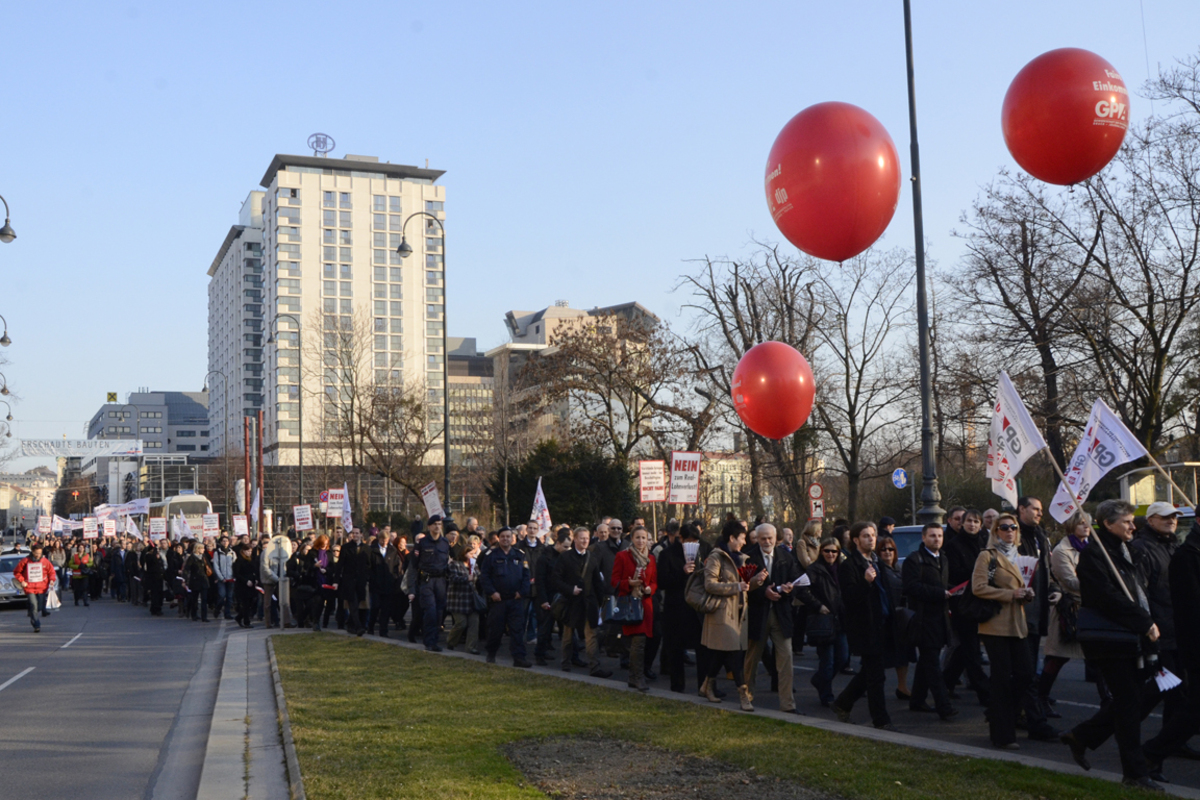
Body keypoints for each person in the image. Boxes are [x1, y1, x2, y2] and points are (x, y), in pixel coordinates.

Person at [1060, 499, 1164, 791]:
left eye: (1133, 521)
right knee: (1129, 703)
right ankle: (1134, 772)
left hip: (1133, 637)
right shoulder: (1095, 555)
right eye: (1127, 521)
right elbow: (1107, 597)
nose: (1133, 526)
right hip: (1110, 641)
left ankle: (1082, 736)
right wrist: (1143, 621)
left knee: (1132, 699)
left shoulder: (1127, 551)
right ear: (1107, 524)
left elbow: (1139, 589)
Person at [1143, 513, 1200, 777]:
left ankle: (1152, 753)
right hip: (1192, 643)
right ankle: (1151, 753)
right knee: (1193, 709)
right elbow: (1190, 608)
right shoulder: (1187, 556)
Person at [973, 513, 1035, 750]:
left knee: (1025, 674)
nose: (1009, 531)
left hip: (1017, 624)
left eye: (1013, 527)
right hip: (995, 625)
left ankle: (999, 714)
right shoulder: (987, 556)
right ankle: (1002, 733)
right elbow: (978, 588)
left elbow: (1021, 588)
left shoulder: (1019, 557)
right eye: (1004, 527)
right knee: (1001, 678)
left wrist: (1027, 595)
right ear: (996, 531)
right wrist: (1010, 594)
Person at [1039, 510, 1105, 713]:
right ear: (1071, 526)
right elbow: (1070, 581)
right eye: (1081, 523)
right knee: (1057, 658)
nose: (1086, 526)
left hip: (1090, 608)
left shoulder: (1094, 548)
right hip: (1069, 610)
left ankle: (1108, 700)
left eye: (1088, 523)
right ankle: (1039, 699)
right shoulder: (1062, 551)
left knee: (1100, 657)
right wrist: (1099, 580)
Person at [833, 522, 894, 730]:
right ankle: (881, 720)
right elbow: (849, 598)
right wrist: (865, 582)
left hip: (882, 623)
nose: (871, 539)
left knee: (869, 672)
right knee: (876, 675)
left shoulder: (877, 561)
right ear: (856, 540)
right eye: (866, 536)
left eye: (873, 535)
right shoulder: (850, 565)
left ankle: (843, 702)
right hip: (865, 626)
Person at [701, 520, 763, 712]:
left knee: (721, 655)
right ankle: (743, 695)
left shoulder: (741, 558)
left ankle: (707, 685)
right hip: (722, 613)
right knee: (735, 656)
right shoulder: (716, 557)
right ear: (732, 538)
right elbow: (709, 584)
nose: (744, 543)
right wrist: (735, 587)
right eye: (742, 538)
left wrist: (756, 582)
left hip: (739, 614)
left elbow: (744, 587)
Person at [1131, 502, 1183, 728]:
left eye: (1174, 517)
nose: (1171, 520)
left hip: (1176, 626)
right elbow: (1140, 592)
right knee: (1162, 685)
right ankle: (1116, 723)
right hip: (1157, 628)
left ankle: (1172, 736)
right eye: (1164, 517)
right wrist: (1148, 624)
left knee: (1174, 686)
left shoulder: (1173, 546)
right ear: (1150, 520)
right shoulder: (1142, 548)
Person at [743, 523, 804, 713]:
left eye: (770, 538)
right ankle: (746, 697)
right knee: (752, 660)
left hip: (781, 614)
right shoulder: (749, 558)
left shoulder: (786, 557)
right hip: (758, 614)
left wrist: (788, 590)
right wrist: (763, 593)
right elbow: (744, 587)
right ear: (757, 539)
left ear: (776, 537)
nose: (767, 542)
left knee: (786, 659)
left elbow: (796, 580)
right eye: (763, 539)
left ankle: (787, 704)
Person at [902, 523, 956, 719]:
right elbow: (911, 587)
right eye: (932, 536)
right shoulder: (914, 560)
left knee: (927, 661)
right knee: (933, 665)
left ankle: (917, 700)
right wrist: (940, 593)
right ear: (923, 538)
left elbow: (942, 584)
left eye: (940, 536)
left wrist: (954, 590)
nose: (937, 539)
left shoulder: (943, 558)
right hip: (923, 620)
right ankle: (944, 707)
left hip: (940, 618)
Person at [1016, 496, 1057, 741]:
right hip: (1021, 614)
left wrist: (1052, 590)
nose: (1040, 513)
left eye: (1041, 510)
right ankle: (1036, 722)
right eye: (1035, 509)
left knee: (1023, 672)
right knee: (1026, 672)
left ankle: (1004, 714)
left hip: (1037, 611)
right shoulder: (1014, 534)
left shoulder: (1040, 535)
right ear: (1022, 509)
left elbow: (1045, 571)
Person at [943, 508, 990, 706]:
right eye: (969, 521)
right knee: (971, 648)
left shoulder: (984, 544)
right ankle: (984, 692)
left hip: (981, 600)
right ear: (962, 524)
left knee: (966, 649)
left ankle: (945, 683)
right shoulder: (953, 545)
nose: (972, 525)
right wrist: (979, 571)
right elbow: (954, 573)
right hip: (963, 602)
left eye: (976, 522)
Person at [553, 526, 610, 677]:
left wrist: (600, 602)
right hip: (571, 603)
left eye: (587, 538)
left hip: (589, 603)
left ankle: (595, 667)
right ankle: (565, 663)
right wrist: (570, 589)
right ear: (575, 539)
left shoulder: (592, 557)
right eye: (582, 538)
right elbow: (556, 579)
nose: (585, 541)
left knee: (591, 636)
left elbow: (597, 581)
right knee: (568, 636)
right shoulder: (565, 557)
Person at [612, 526, 657, 691]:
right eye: (637, 537)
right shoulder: (622, 556)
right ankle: (637, 677)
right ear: (632, 538)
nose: (641, 541)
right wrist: (628, 583)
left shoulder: (651, 558)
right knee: (637, 643)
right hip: (630, 603)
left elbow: (654, 581)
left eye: (644, 538)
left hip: (646, 604)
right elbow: (614, 580)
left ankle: (634, 677)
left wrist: (650, 589)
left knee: (640, 642)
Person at [480, 527, 532, 667]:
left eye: (508, 536)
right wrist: (492, 592)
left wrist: (522, 592)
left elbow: (526, 575)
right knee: (495, 630)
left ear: (512, 538)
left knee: (517, 630)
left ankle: (519, 658)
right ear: (498, 538)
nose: (505, 539)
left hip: (515, 599)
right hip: (498, 601)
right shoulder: (491, 555)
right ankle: (491, 654)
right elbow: (484, 576)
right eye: (503, 536)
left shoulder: (519, 554)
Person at [807, 536, 846, 707]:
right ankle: (826, 695)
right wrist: (818, 606)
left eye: (834, 551)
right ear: (821, 551)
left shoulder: (843, 569)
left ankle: (818, 680)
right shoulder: (814, 569)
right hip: (824, 620)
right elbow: (801, 590)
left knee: (843, 658)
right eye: (827, 551)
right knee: (827, 661)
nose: (830, 554)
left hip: (841, 618)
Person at [876, 535, 914, 701]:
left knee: (903, 654)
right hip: (886, 618)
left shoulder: (899, 568)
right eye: (883, 549)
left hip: (901, 617)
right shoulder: (878, 570)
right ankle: (869, 686)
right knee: (881, 657)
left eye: (890, 549)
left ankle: (902, 686)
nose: (887, 552)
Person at [405, 515, 452, 651]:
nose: (438, 527)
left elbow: (447, 563)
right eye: (435, 524)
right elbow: (414, 567)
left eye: (439, 524)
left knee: (439, 613)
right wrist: (412, 588)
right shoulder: (422, 543)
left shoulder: (445, 543)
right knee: (430, 611)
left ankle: (435, 640)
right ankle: (429, 641)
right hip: (427, 581)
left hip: (441, 582)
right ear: (429, 526)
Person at [534, 530, 568, 665]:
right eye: (565, 547)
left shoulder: (563, 557)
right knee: (545, 629)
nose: (567, 550)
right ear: (558, 543)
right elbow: (540, 581)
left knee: (567, 628)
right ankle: (539, 655)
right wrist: (543, 600)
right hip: (547, 597)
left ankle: (573, 656)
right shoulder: (544, 558)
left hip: (560, 597)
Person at [366, 529, 403, 638]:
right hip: (376, 584)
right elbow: (368, 566)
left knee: (386, 609)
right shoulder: (372, 550)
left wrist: (395, 578)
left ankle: (384, 630)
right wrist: (371, 578)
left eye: (386, 540)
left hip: (388, 584)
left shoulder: (392, 550)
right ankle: (371, 627)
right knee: (375, 606)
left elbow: (396, 567)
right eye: (382, 540)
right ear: (379, 539)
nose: (384, 542)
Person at [446, 542, 481, 654]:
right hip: (458, 598)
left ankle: (471, 647)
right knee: (461, 623)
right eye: (470, 553)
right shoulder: (455, 564)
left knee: (474, 623)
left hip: (471, 597)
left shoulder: (474, 565)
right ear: (464, 553)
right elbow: (453, 578)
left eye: (473, 554)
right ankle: (451, 641)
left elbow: (479, 576)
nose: (472, 556)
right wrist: (466, 578)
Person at [13, 543, 55, 632]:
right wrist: (22, 581)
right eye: (36, 553)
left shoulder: (45, 561)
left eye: (40, 553)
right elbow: (17, 572)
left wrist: (51, 580)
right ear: (32, 552)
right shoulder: (25, 561)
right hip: (29, 587)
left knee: (39, 607)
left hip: (42, 587)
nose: (38, 555)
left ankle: (31, 610)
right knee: (34, 605)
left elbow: (51, 572)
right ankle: (36, 624)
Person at [261, 532, 293, 628]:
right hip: (269, 581)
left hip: (281, 579)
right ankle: (268, 623)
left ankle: (286, 622)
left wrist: (283, 577)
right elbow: (265, 568)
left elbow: (284, 565)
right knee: (268, 604)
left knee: (284, 601)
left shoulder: (283, 552)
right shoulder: (266, 552)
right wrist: (276, 578)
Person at [184, 542, 211, 622]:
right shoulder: (191, 558)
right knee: (194, 599)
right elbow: (186, 569)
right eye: (202, 548)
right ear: (198, 549)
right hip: (195, 581)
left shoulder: (203, 557)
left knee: (204, 599)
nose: (204, 550)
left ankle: (204, 617)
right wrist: (185, 579)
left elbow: (209, 566)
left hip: (204, 580)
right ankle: (194, 615)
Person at [232, 542, 258, 628]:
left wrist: (255, 579)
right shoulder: (239, 560)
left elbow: (253, 571)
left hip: (251, 584)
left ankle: (239, 617)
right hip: (242, 586)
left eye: (250, 551)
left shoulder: (251, 560)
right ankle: (246, 621)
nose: (249, 553)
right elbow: (237, 574)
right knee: (245, 604)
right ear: (243, 551)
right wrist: (245, 581)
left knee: (250, 603)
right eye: (247, 551)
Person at [212, 535, 235, 620]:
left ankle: (227, 613)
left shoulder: (232, 553)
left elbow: (234, 565)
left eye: (226, 541)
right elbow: (216, 566)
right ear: (221, 542)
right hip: (221, 579)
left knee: (229, 597)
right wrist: (221, 577)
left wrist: (233, 576)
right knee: (222, 595)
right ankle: (217, 609)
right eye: (223, 541)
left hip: (230, 578)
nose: (225, 543)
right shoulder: (217, 553)